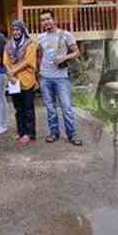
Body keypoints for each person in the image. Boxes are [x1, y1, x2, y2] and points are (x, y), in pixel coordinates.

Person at [38, 9, 83, 146]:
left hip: (61, 77)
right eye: (43, 20)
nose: (46, 22)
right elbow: (40, 55)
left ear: (54, 19)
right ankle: (54, 133)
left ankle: (72, 134)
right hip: (45, 77)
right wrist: (39, 70)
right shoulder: (41, 37)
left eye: (48, 19)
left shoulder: (66, 35)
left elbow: (76, 52)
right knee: (50, 108)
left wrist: (64, 57)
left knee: (66, 107)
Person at [3, 20, 37, 145]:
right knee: (18, 108)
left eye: (18, 30)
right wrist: (10, 74)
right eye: (14, 30)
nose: (16, 32)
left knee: (28, 108)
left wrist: (12, 72)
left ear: (22, 31)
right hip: (13, 81)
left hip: (27, 80)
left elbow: (28, 61)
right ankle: (21, 131)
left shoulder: (30, 44)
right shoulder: (8, 45)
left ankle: (30, 133)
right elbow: (5, 61)